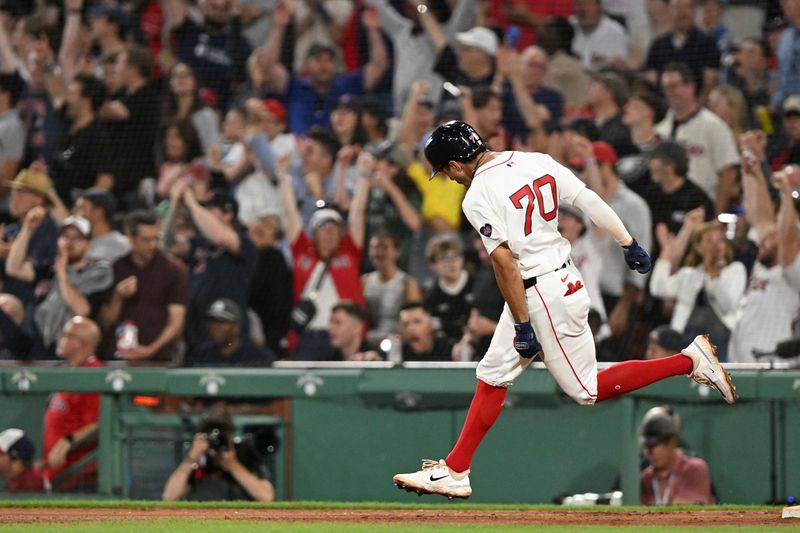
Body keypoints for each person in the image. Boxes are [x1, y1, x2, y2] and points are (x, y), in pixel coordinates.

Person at [392, 121, 736, 499]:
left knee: (586, 389)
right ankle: (456, 470)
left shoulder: (476, 196)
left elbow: (505, 263)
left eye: (446, 172)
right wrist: (628, 241)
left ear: (456, 165)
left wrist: (523, 324)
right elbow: (587, 199)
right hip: (556, 281)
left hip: (541, 294)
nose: (450, 179)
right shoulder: (535, 160)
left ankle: (689, 362)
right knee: (492, 374)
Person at [6, 214, 113, 358]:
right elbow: (14, 268)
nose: (70, 242)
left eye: (77, 238)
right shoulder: (49, 268)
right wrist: (27, 230)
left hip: (75, 348)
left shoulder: (97, 270)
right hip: (40, 342)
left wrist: (62, 273)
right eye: (65, 237)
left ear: (88, 243)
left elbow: (82, 309)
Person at [100, 210, 188, 363]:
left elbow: (176, 324)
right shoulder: (116, 269)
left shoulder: (172, 271)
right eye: (146, 240)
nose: (152, 245)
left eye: (156, 238)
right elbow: (105, 322)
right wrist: (118, 297)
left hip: (158, 360)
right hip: (119, 358)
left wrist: (149, 350)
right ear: (130, 238)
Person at [162, 407, 275, 501]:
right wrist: (191, 459)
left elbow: (266, 496)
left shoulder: (243, 455)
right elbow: (169, 497)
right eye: (210, 434)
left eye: (222, 434)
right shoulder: (199, 462)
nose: (216, 440)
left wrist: (233, 465)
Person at [42, 317, 103, 491]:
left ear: (79, 342)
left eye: (65, 335)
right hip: (57, 470)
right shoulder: (71, 371)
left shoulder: (93, 375)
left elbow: (100, 424)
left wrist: (68, 441)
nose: (59, 338)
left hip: (77, 474)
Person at [639, 407, 715, 505]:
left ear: (672, 442)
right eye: (647, 446)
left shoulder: (694, 469)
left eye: (655, 445)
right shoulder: (645, 477)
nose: (649, 452)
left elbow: (694, 507)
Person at [184, 299, 275, 367]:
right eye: (212, 321)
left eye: (222, 321)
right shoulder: (200, 355)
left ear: (237, 327)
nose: (215, 326)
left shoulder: (258, 356)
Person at [73, 188, 130, 264]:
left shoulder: (121, 245)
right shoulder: (79, 242)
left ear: (98, 212)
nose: (74, 211)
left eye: (82, 208)